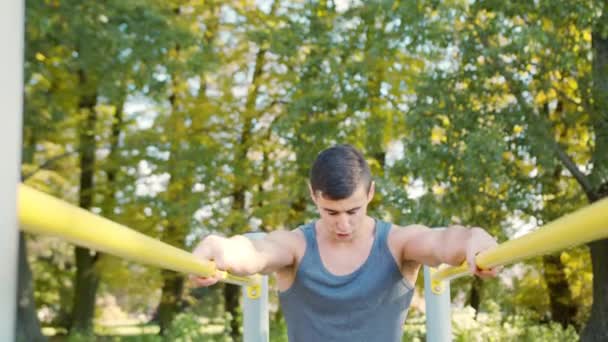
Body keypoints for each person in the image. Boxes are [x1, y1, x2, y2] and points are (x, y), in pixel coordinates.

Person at [191, 144, 499, 341]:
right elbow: (255, 252)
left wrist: (474, 237)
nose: (343, 224)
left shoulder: (397, 243)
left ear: (370, 194)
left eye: (353, 210)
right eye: (331, 212)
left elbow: (441, 242)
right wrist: (220, 248)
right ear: (314, 196)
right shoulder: (296, 246)